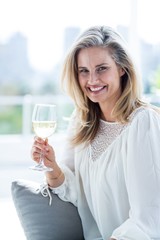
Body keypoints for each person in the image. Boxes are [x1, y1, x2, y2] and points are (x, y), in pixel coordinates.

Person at [31, 26, 160, 240]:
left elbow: (148, 218)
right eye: (84, 71)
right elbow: (71, 192)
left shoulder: (142, 122)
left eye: (101, 68)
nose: (92, 80)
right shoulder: (81, 121)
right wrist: (51, 165)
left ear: (122, 68)